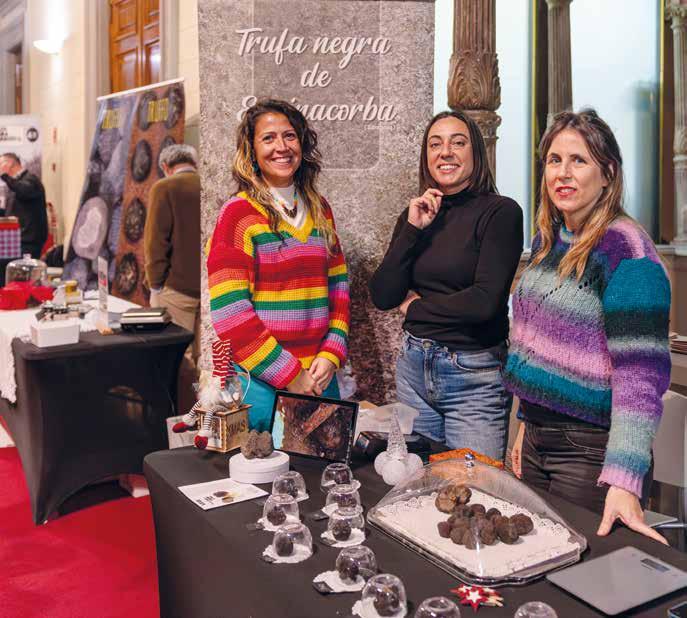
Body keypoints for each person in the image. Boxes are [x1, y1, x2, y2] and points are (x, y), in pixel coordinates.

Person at [504, 109, 671, 544]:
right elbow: (536, 348)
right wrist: (525, 424)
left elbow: (641, 378)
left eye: (578, 160)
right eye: (554, 160)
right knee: (530, 559)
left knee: (576, 571)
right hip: (537, 438)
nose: (563, 173)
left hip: (590, 451)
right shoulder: (549, 241)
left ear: (608, 174)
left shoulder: (627, 251)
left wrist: (624, 478)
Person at [369, 110, 524, 461]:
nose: (446, 152)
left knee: (472, 486)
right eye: (435, 144)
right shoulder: (417, 215)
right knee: (415, 482)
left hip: (473, 377)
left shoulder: (500, 213)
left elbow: (484, 302)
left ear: (475, 152)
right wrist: (412, 229)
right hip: (413, 371)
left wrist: (416, 307)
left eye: (458, 142)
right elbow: (383, 295)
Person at [206, 99, 350, 431]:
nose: (281, 147)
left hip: (320, 379)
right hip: (261, 388)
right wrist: (289, 374)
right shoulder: (238, 215)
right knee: (266, 465)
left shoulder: (320, 209)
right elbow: (230, 314)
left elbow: (339, 291)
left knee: (322, 465)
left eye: (289, 136)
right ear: (252, 150)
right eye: (268, 138)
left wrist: (332, 353)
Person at [144, 143, 201, 412]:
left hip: (177, 288)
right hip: (211, 287)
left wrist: (155, 285)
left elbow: (156, 242)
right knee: (209, 359)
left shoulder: (164, 188)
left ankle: (182, 417)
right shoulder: (208, 185)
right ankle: (209, 418)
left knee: (178, 358)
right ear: (194, 162)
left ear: (166, 167)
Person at [0, 152, 47, 258]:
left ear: (9, 164)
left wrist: (5, 176)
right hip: (18, 240)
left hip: (29, 241)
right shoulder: (14, 184)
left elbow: (24, 191)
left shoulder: (31, 179)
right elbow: (10, 213)